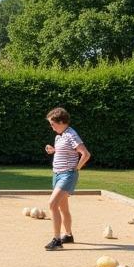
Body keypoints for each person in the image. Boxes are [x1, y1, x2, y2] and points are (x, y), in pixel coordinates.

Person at [43, 106, 91, 250]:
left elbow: (85, 154)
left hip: (67, 175)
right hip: (57, 175)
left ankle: (57, 240)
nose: (51, 127)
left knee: (52, 204)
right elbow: (66, 150)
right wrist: (54, 150)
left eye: (53, 124)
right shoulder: (60, 136)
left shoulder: (71, 134)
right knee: (63, 208)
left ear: (62, 121)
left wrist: (76, 169)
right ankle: (68, 235)